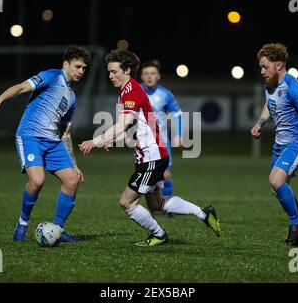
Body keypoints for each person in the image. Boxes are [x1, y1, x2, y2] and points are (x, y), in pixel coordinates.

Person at [79, 49, 221, 246]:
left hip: (151, 158)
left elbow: (124, 122)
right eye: (109, 72)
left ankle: (159, 234)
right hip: (151, 156)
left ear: (127, 70)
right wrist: (113, 139)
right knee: (155, 204)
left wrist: (95, 141)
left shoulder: (132, 90)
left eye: (114, 71)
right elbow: (130, 124)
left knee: (126, 202)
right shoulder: (127, 90)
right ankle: (203, 213)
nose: (110, 76)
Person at [0, 45, 91, 243]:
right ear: (66, 64)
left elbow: (65, 132)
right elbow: (22, 87)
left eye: (84, 68)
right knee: (37, 181)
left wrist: (73, 163)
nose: (81, 71)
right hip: (30, 136)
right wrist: (0, 99)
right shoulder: (51, 76)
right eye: (77, 66)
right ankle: (22, 224)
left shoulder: (72, 98)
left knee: (72, 179)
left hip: (53, 141)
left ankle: (58, 229)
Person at [250, 43, 298, 246]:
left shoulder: (293, 87)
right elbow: (270, 104)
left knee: (276, 181)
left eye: (265, 67)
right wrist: (260, 123)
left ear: (279, 66)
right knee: (276, 187)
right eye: (260, 66)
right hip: (281, 144)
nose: (262, 71)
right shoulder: (269, 83)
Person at [140, 60, 183, 198]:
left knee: (165, 175)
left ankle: (168, 203)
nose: (149, 76)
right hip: (142, 143)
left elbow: (177, 114)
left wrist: (178, 135)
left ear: (158, 76)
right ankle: (154, 204)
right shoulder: (136, 92)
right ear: (141, 76)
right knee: (147, 176)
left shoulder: (166, 94)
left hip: (161, 141)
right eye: (146, 73)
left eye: (152, 73)